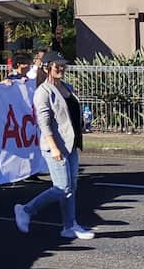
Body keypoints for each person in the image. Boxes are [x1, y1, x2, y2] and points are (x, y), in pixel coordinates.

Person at [14, 52, 96, 241]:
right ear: (46, 67)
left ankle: (69, 226)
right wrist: (54, 147)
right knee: (62, 187)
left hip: (71, 144)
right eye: (56, 65)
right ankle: (26, 210)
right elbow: (43, 122)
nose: (61, 68)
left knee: (71, 187)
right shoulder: (44, 92)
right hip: (55, 146)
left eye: (63, 65)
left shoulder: (66, 86)